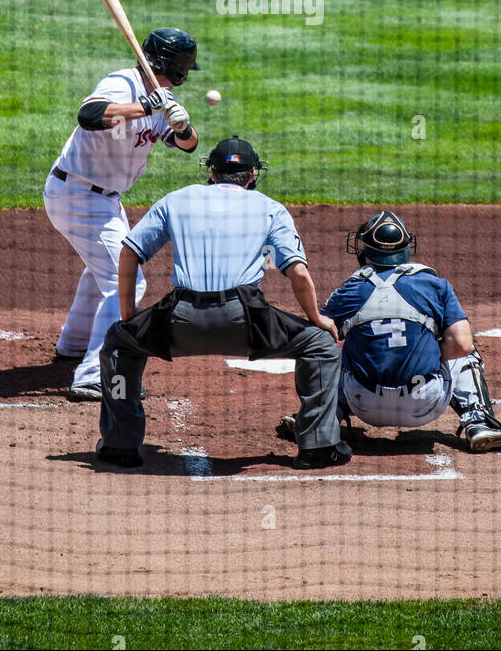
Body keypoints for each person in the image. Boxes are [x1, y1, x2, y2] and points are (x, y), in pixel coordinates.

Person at [95, 136, 351, 470]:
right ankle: (318, 447)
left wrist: (129, 316)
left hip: (179, 321)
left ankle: (119, 446)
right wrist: (316, 316)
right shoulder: (270, 208)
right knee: (319, 344)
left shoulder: (177, 199)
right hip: (245, 324)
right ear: (252, 176)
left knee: (119, 342)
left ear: (212, 173)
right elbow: (298, 274)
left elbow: (129, 251)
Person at [279, 211, 501, 453]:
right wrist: (429, 354)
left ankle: (319, 421)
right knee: (467, 354)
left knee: (334, 353)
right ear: (406, 248)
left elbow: (320, 337)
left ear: (366, 251)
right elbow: (461, 344)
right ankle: (480, 424)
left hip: (364, 402)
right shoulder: (435, 285)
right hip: (425, 401)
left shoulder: (350, 290)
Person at [44, 28, 200, 401]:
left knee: (102, 269)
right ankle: (93, 374)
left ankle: (73, 341)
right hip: (78, 193)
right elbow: (90, 114)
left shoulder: (164, 98)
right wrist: (146, 106)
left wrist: (182, 125)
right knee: (127, 281)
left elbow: (189, 147)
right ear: (177, 68)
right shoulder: (122, 84)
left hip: (103, 200)